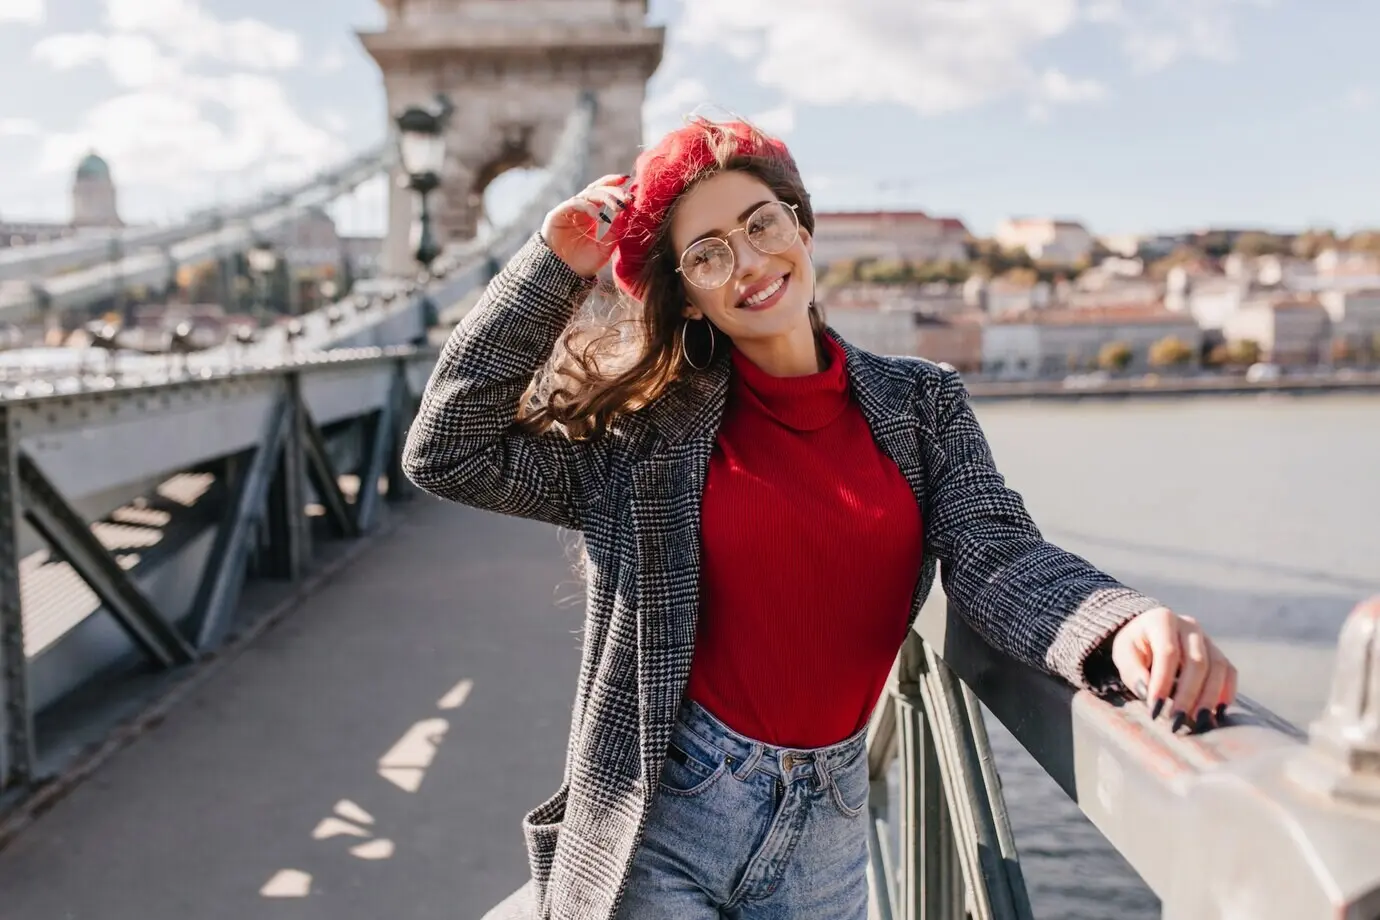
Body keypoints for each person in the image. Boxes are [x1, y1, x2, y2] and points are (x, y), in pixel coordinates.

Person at [402, 117, 1238, 920]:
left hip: (829, 824)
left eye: (763, 223)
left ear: (802, 227)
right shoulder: (645, 437)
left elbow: (998, 556)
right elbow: (446, 450)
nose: (750, 262)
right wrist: (551, 269)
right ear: (687, 297)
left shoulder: (921, 402)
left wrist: (1118, 623)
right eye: (708, 253)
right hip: (667, 808)